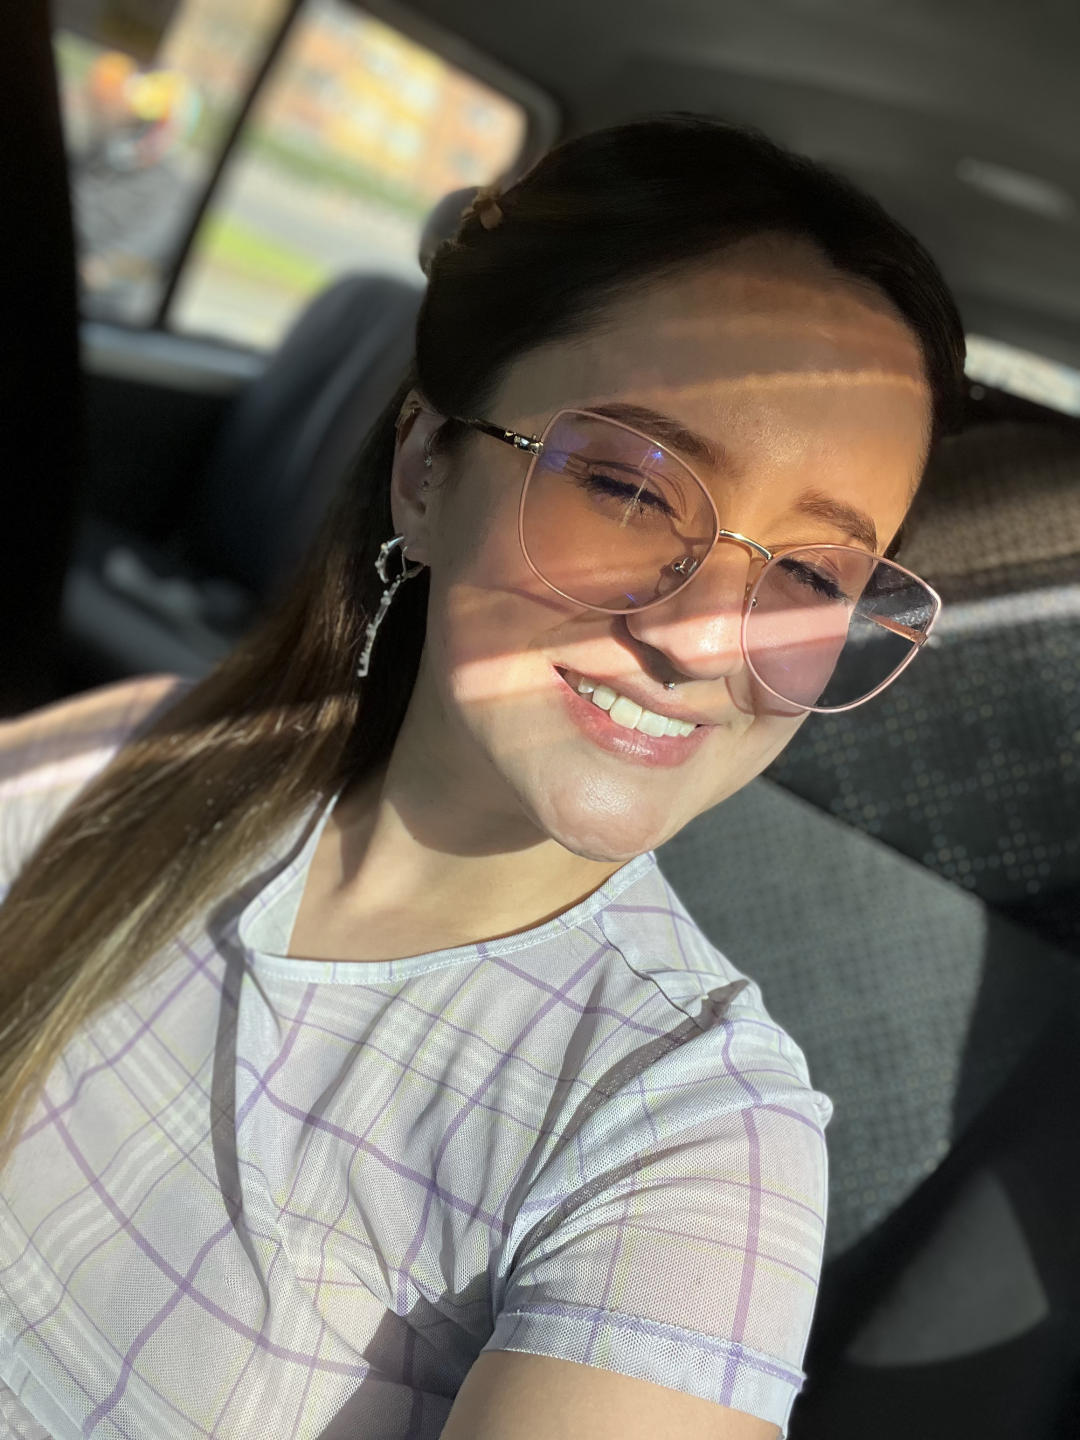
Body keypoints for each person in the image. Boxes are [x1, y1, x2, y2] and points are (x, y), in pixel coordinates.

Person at [0, 113, 965, 1440]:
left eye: (809, 575)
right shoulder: (139, 757)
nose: (699, 640)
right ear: (423, 472)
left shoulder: (684, 1132)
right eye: (631, 489)